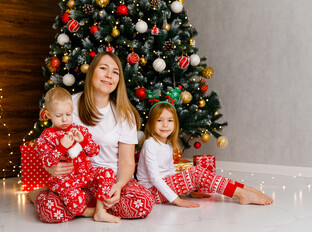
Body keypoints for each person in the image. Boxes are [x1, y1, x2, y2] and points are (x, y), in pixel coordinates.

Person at [27, 52, 154, 223]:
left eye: (115, 72)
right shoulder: (69, 104)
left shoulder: (125, 114)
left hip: (108, 180)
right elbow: (51, 142)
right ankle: (75, 204)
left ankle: (82, 207)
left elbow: (127, 162)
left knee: (143, 202)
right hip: (75, 181)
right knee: (49, 210)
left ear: (119, 80)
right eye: (103, 68)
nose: (109, 75)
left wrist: (117, 186)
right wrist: (51, 168)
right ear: (92, 71)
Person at [136, 101, 274, 208]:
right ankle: (241, 194)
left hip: (163, 188)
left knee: (198, 175)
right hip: (150, 192)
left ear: (175, 124)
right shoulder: (150, 144)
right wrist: (177, 200)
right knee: (196, 173)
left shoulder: (168, 144)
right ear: (151, 123)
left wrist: (188, 191)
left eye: (169, 120)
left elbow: (171, 172)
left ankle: (244, 188)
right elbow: (155, 178)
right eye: (159, 120)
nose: (165, 125)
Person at [36, 87, 120, 223]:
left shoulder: (78, 130)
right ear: (48, 114)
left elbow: (94, 151)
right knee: (72, 196)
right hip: (65, 181)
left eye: (68, 114)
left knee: (107, 173)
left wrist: (84, 140)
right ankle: (86, 212)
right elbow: (48, 162)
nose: (64, 119)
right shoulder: (46, 138)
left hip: (86, 174)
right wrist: (61, 146)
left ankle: (100, 211)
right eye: (59, 116)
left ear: (72, 111)